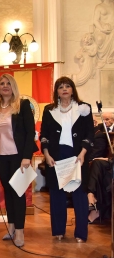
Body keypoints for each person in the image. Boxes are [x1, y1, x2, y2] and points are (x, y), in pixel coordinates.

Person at [40, 76, 94, 243]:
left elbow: (89, 134)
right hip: (55, 156)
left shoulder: (84, 108)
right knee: (56, 194)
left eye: (67, 86)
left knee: (79, 194)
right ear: (56, 91)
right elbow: (44, 135)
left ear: (72, 90)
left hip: (77, 156)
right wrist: (47, 155)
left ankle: (80, 233)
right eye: (60, 87)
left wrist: (83, 153)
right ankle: (58, 231)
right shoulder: (49, 110)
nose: (64, 89)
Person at [0, 74, 38, 247]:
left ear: (13, 86)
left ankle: (20, 231)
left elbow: (30, 132)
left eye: (8, 83)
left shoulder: (22, 105)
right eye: (2, 83)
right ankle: (10, 227)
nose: (5, 86)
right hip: (0, 156)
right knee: (8, 193)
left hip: (18, 157)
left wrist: (26, 156)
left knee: (18, 193)